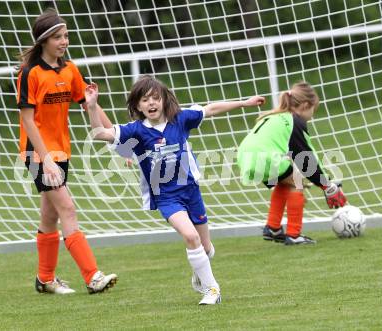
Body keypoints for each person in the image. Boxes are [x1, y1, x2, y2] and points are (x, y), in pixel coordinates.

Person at [84, 75, 265, 305]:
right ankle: (212, 290)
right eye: (145, 99)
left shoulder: (179, 119)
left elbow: (210, 109)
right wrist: (91, 107)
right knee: (190, 237)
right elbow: (101, 134)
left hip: (190, 190)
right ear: (138, 105)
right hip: (166, 197)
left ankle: (201, 274)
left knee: (206, 248)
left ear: (164, 100)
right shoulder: (136, 130)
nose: (151, 103)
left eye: (155, 98)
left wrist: (243, 103)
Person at [16, 8, 117, 294]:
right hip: (37, 155)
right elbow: (27, 120)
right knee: (68, 209)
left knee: (49, 216)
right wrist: (45, 159)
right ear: (44, 41)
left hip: (62, 153)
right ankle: (93, 276)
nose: (64, 41)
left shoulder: (69, 69)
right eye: (58, 37)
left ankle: (45, 279)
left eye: (66, 36)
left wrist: (121, 140)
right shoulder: (29, 74)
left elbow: (89, 104)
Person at [237, 82, 347, 245]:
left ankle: (273, 228)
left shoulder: (276, 116)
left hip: (245, 156)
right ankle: (294, 235)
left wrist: (325, 184)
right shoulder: (294, 121)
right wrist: (327, 186)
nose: (312, 115)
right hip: (263, 157)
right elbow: (307, 158)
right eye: (313, 110)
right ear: (305, 105)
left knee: (286, 180)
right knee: (297, 183)